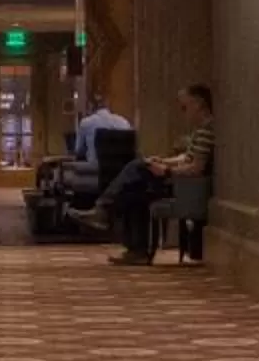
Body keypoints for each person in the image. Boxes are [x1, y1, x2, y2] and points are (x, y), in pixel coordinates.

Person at [70, 83, 213, 265]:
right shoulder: (200, 130)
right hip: (180, 182)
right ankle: (131, 245)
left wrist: (167, 170)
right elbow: (187, 157)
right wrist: (163, 161)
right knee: (133, 190)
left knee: (137, 168)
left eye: (185, 107)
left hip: (186, 188)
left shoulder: (207, 130)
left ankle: (104, 210)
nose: (183, 112)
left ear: (199, 104)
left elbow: (197, 167)